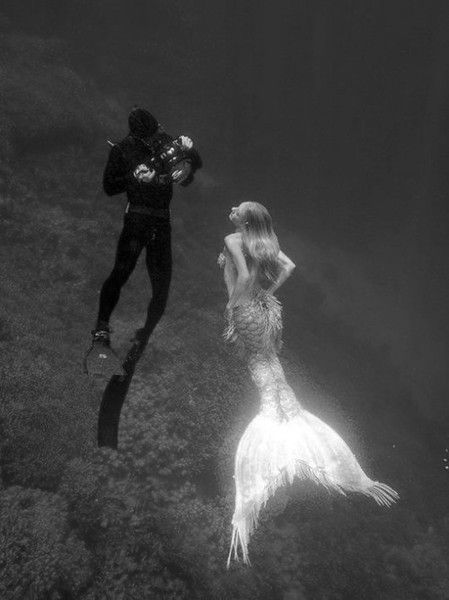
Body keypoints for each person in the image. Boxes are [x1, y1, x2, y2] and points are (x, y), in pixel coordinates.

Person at [219, 201, 399, 567]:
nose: (233, 209)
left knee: (260, 365)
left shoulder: (234, 239)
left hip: (247, 310)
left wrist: (236, 288)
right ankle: (292, 421)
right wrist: (266, 293)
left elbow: (243, 278)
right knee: (272, 364)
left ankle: (276, 428)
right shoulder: (265, 243)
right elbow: (288, 267)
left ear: (246, 219)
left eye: (239, 209)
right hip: (268, 311)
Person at [92, 106, 202, 347]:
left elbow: (188, 178)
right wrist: (133, 176)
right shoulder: (122, 149)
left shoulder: (165, 142)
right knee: (120, 273)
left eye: (157, 132)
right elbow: (109, 187)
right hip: (138, 220)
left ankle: (145, 334)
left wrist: (190, 151)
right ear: (139, 135)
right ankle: (101, 329)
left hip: (160, 222)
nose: (156, 138)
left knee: (162, 285)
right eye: (151, 135)